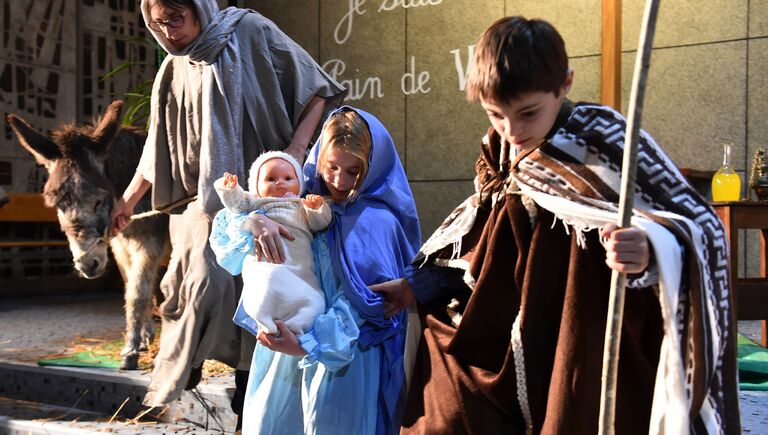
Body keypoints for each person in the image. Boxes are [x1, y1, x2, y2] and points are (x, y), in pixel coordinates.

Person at [374, 16, 740, 434]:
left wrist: (651, 247)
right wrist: (416, 287)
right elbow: (481, 237)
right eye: (496, 114)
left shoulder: (605, 139)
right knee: (442, 404)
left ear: (564, 83)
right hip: (508, 328)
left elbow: (701, 226)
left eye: (528, 113)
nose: (512, 130)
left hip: (580, 333)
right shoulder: (497, 150)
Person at [109, 0, 345, 423]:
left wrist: (293, 153)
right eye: (157, 23)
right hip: (201, 207)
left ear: (199, 8)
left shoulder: (249, 31)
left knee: (263, 293)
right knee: (197, 284)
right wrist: (127, 201)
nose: (167, 32)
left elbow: (318, 89)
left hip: (266, 197)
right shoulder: (173, 68)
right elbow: (156, 148)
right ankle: (186, 371)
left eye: (175, 19)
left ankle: (248, 396)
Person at [240, 106, 421, 435]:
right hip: (287, 350)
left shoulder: (377, 222)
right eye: (331, 167)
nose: (339, 181)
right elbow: (229, 244)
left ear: (372, 167)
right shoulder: (299, 200)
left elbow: (366, 305)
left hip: (343, 356)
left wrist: (310, 344)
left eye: (353, 171)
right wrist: (258, 220)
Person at [209, 151, 332, 336]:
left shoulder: (300, 204)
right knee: (266, 283)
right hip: (265, 263)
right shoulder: (255, 204)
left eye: (288, 177)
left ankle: (300, 325)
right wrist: (229, 189)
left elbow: (320, 223)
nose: (280, 182)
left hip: (298, 265)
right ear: (256, 187)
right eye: (271, 178)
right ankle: (267, 322)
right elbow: (235, 205)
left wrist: (316, 209)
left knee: (311, 298)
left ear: (300, 183)